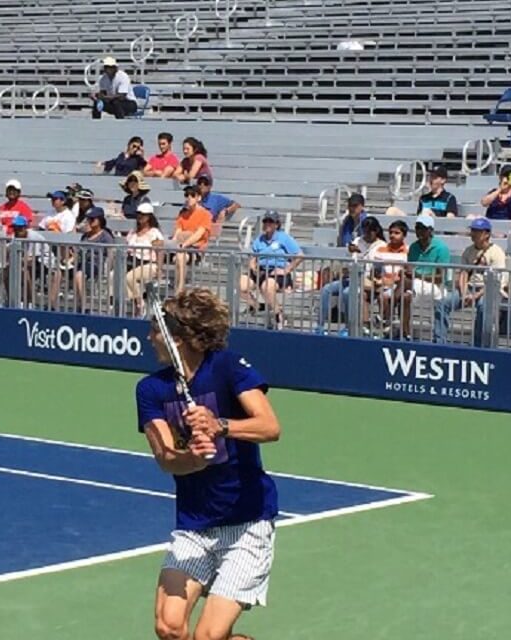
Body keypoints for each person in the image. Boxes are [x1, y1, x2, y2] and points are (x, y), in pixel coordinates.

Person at [135, 288, 280, 640]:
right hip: (194, 527)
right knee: (169, 628)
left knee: (207, 637)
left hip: (247, 524)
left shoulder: (227, 367)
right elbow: (167, 460)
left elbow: (270, 427)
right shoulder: (150, 390)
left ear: (178, 339)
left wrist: (221, 425)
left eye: (155, 330)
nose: (149, 337)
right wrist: (194, 457)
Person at [433, 218, 506, 346]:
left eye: (477, 231)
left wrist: (476, 296)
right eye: (472, 230)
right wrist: (464, 292)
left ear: (486, 234)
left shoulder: (497, 252)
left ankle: (478, 345)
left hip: (488, 290)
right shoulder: (468, 250)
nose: (473, 233)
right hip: (470, 287)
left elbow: (495, 280)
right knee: (442, 303)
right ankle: (439, 342)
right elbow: (464, 273)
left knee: (484, 307)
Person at [243, 212, 302, 327]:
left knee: (267, 286)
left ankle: (278, 315)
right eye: (265, 221)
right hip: (261, 270)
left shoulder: (284, 238)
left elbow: (299, 255)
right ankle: (258, 306)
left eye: (271, 221)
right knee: (241, 285)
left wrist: (287, 270)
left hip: (277, 271)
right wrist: (252, 266)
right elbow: (253, 257)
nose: (267, 224)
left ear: (277, 224)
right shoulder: (259, 239)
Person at [172, 186, 214, 294]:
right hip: (182, 247)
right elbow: (177, 233)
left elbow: (199, 234)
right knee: (178, 256)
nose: (189, 198)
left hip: (196, 249)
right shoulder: (183, 214)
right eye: (187, 195)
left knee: (180, 257)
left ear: (198, 198)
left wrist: (185, 243)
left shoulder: (205, 214)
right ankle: (177, 287)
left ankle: (179, 289)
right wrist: (177, 242)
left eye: (192, 195)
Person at [124, 202, 165, 315]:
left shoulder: (154, 233)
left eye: (143, 214)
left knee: (129, 277)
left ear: (149, 217)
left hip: (149, 264)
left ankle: (139, 303)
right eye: (138, 214)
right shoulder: (133, 232)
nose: (140, 217)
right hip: (132, 262)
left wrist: (160, 269)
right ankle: (121, 304)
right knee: (115, 275)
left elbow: (160, 251)